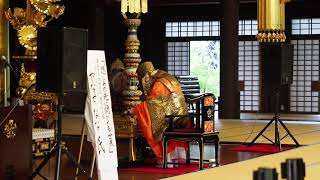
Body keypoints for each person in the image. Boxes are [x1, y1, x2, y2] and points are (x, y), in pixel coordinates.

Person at [133, 61, 189, 165]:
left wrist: (136, 109)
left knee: (155, 125)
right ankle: (175, 157)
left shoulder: (159, 84)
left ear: (146, 76)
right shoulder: (168, 77)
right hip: (183, 116)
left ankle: (166, 157)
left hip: (172, 119)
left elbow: (151, 104)